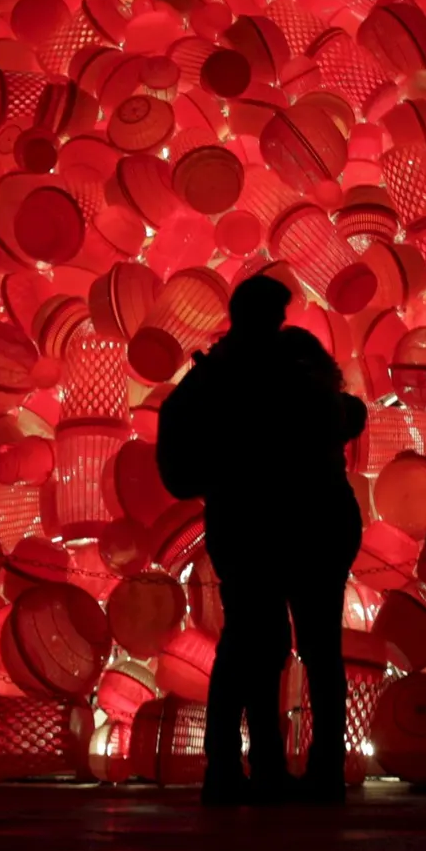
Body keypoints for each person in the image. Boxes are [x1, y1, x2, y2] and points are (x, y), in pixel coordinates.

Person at [153, 273, 366, 802]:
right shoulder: (291, 366)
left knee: (250, 647)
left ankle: (239, 765)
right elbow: (339, 414)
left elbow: (182, 446)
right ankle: (319, 769)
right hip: (313, 523)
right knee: (316, 648)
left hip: (246, 525)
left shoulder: (217, 374)